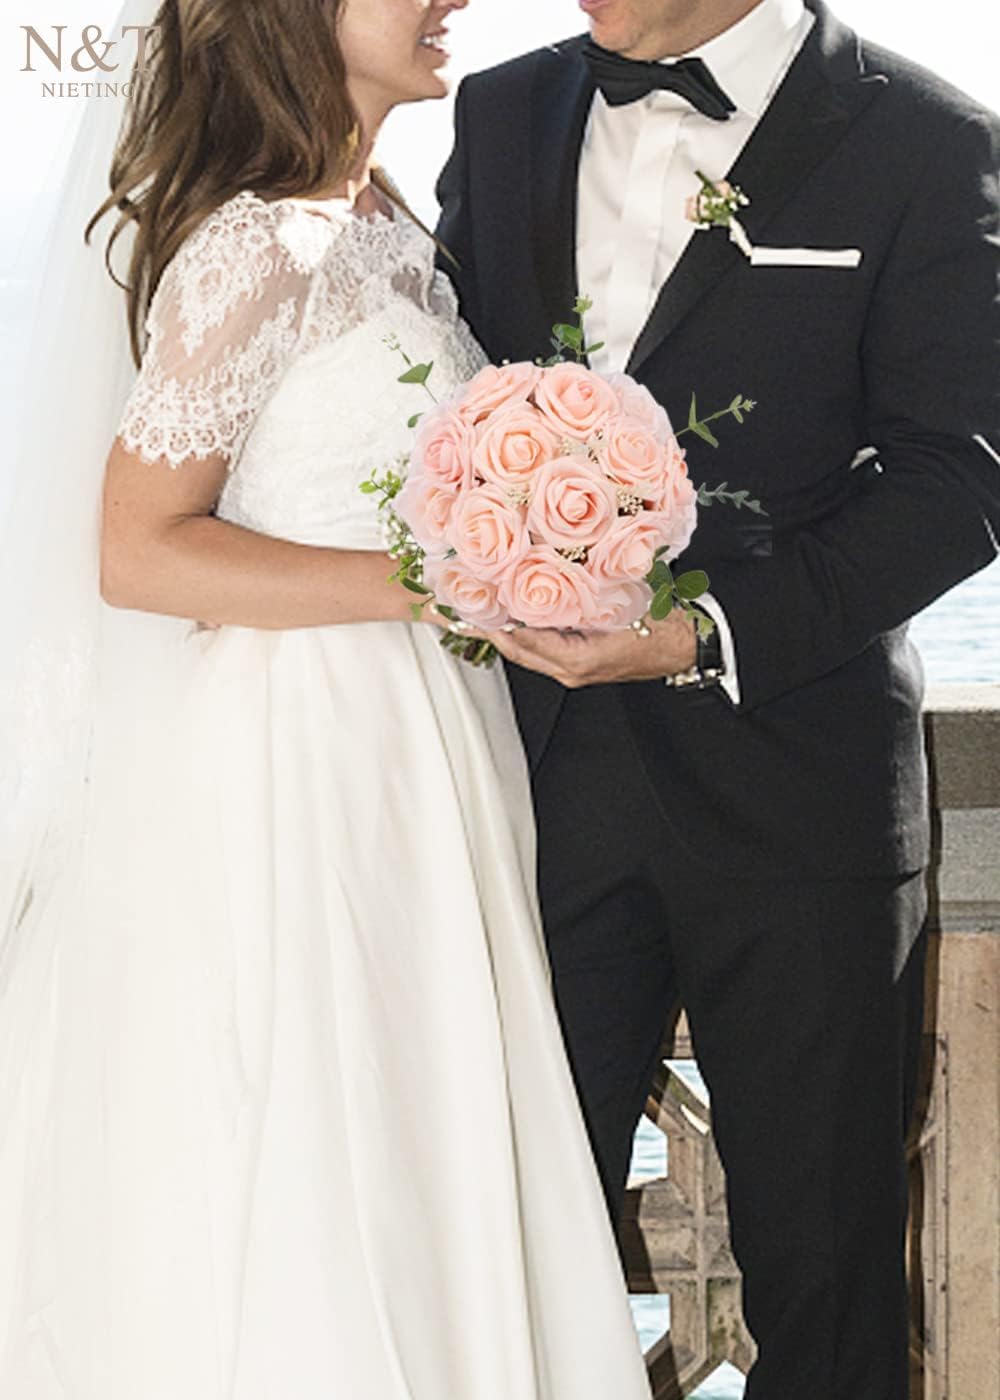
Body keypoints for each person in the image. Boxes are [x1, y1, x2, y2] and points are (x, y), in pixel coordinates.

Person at [0, 2, 653, 1396]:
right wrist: (440, 582)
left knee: (423, 1139)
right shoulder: (260, 242)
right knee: (327, 1136)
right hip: (306, 758)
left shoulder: (386, 229)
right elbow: (137, 549)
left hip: (427, 748)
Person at [436, 0, 1000, 1395]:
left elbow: (958, 482)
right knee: (505, 1268)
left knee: (827, 1284)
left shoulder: (932, 141)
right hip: (528, 798)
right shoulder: (500, 112)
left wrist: (700, 634)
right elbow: (436, 413)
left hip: (800, 804)